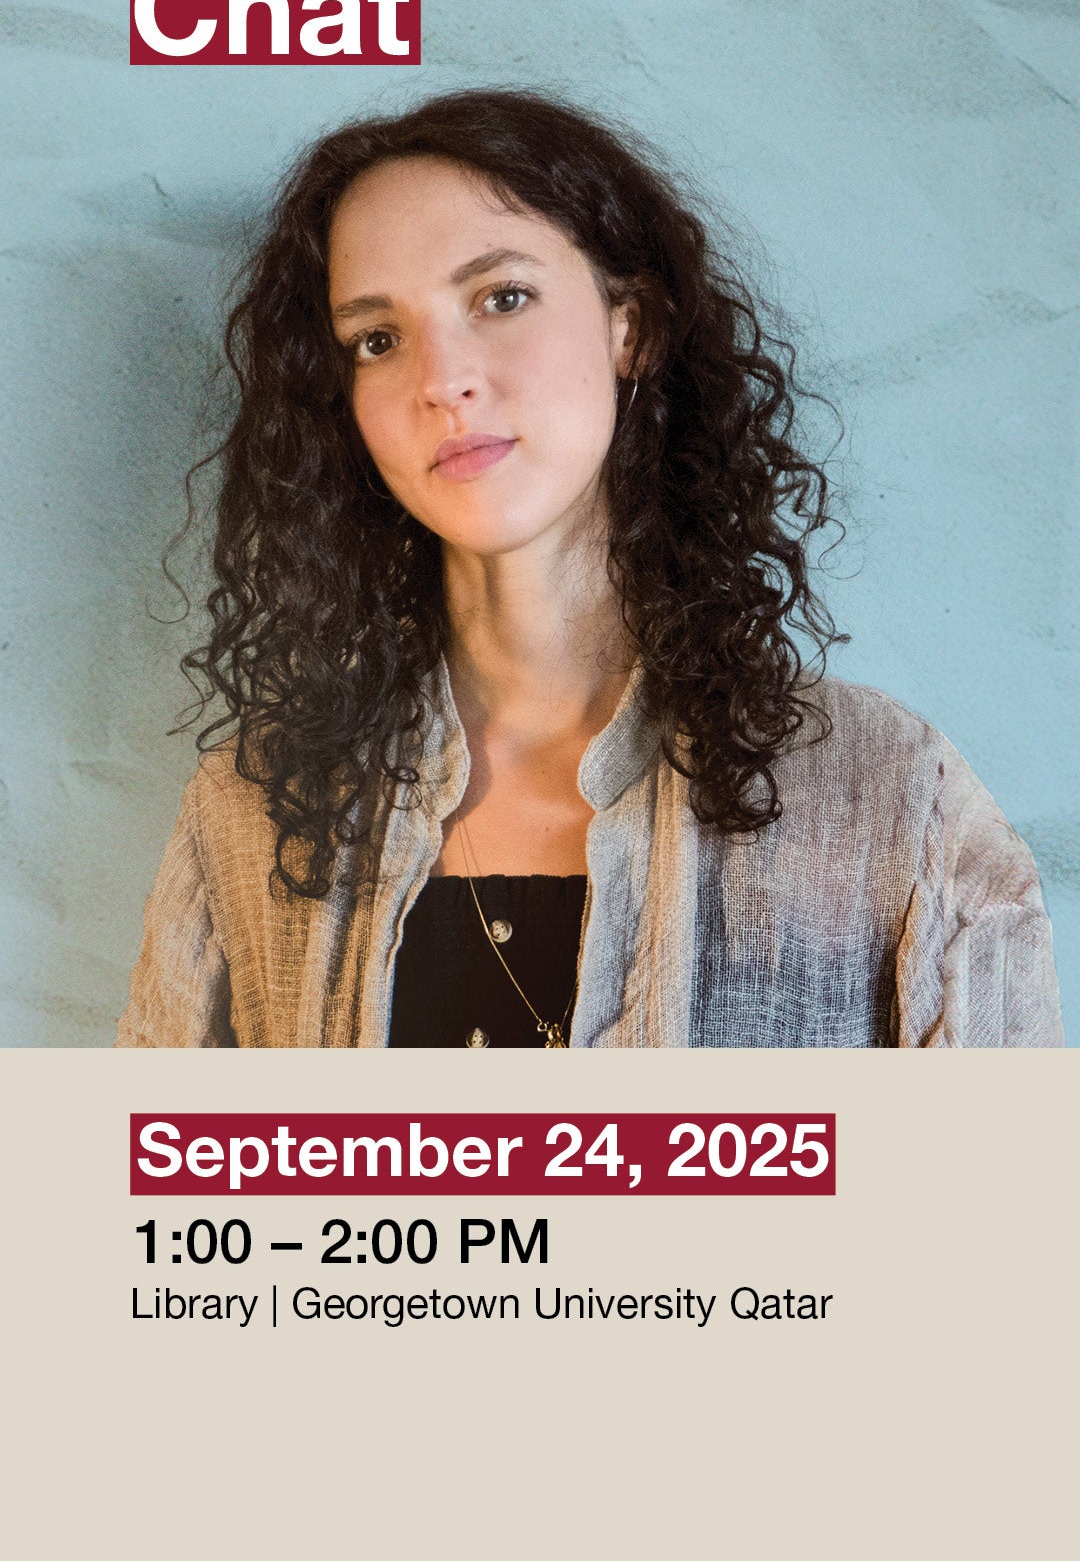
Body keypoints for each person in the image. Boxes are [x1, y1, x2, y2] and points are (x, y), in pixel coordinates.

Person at [116, 89, 1064, 1049]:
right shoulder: (251, 811)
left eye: (502, 297)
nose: (441, 378)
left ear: (632, 328)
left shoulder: (886, 795)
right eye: (377, 339)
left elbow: (998, 1194)